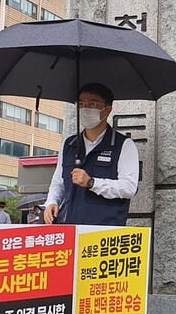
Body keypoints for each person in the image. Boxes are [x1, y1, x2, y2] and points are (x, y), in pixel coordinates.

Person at [43, 83, 139, 226]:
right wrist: (51, 202)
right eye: (81, 104)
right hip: (69, 227)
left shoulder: (123, 145)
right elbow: (58, 182)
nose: (85, 109)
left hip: (104, 231)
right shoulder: (69, 144)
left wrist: (92, 182)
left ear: (107, 110)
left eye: (92, 104)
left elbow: (129, 187)